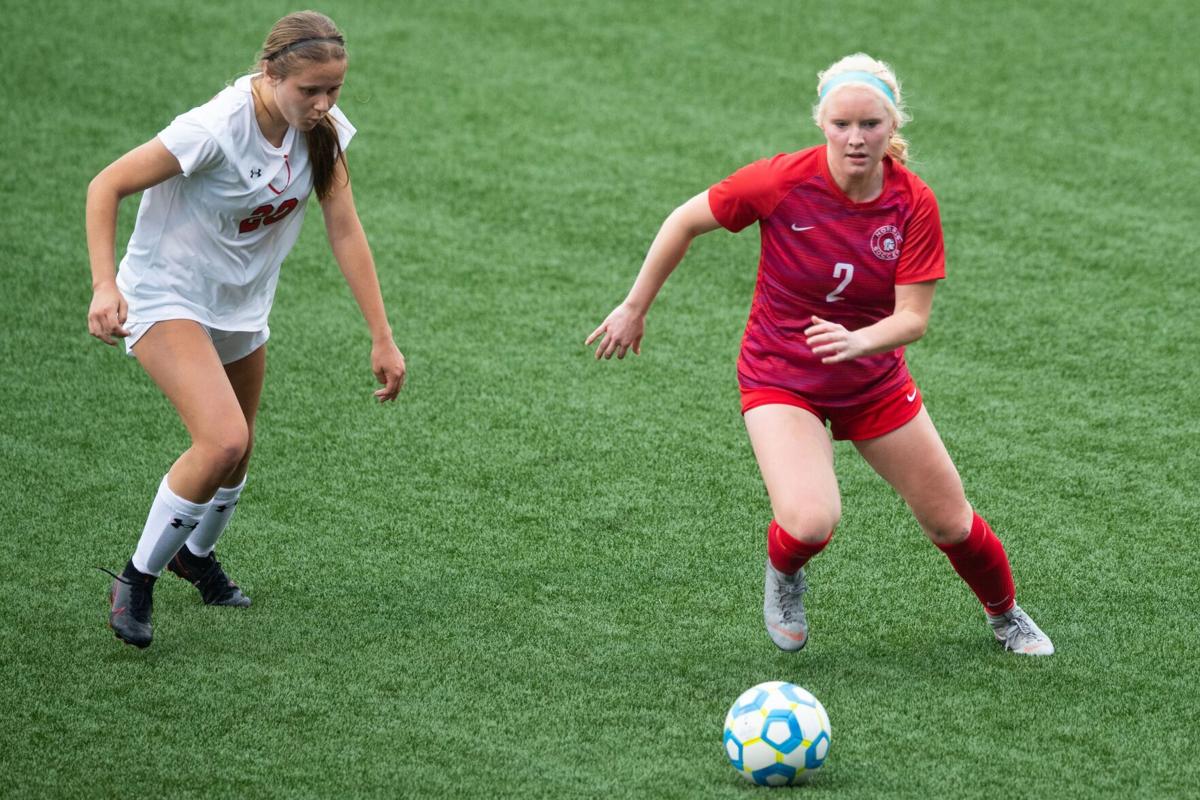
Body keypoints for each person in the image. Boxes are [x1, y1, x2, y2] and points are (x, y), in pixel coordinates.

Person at [586, 53, 1053, 656]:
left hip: (872, 382)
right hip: (782, 377)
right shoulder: (779, 181)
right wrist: (634, 306)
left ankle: (1005, 615)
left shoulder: (913, 203)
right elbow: (684, 221)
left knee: (951, 522)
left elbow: (913, 318)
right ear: (821, 124)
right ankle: (784, 575)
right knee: (809, 521)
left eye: (870, 125)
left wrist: (860, 342)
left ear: (893, 125)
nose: (855, 139)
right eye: (841, 125)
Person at [86, 11, 406, 649]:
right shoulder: (213, 130)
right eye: (308, 90)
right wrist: (104, 284)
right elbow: (107, 185)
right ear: (270, 73)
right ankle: (136, 578)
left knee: (240, 450)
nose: (321, 104)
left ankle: (194, 555)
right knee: (222, 440)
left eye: (333, 90)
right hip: (166, 295)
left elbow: (344, 225)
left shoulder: (319, 133)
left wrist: (382, 334)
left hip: (241, 306)